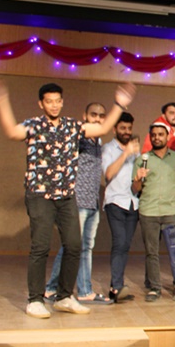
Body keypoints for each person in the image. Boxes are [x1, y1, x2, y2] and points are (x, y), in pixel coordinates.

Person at [0, 76, 135, 318]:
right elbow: (12, 132)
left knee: (74, 245)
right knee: (40, 246)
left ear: (62, 102)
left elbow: (102, 128)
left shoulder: (71, 126)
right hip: (40, 194)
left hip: (66, 196)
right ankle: (35, 299)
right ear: (41, 104)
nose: (54, 105)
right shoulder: (34, 125)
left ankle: (64, 296)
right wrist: (2, 100)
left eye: (58, 101)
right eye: (49, 101)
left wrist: (119, 104)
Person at [45, 102, 111, 304]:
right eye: (93, 115)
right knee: (71, 246)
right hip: (77, 200)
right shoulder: (79, 137)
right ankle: (51, 288)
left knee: (86, 247)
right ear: (85, 116)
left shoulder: (98, 142)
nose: (97, 119)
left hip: (92, 202)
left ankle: (84, 291)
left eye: (101, 115)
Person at [133, 123, 175, 303]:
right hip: (148, 212)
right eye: (154, 135)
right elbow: (135, 189)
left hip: (170, 212)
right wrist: (138, 178)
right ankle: (154, 288)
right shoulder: (142, 159)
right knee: (151, 252)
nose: (157, 137)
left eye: (160, 134)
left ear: (167, 137)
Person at [103, 112, 141, 303]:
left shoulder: (137, 152)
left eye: (129, 128)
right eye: (123, 128)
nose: (126, 132)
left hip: (133, 203)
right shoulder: (108, 149)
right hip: (115, 202)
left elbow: (136, 185)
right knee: (119, 242)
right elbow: (108, 174)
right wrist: (125, 153)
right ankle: (116, 286)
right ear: (114, 129)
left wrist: (140, 179)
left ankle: (116, 286)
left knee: (125, 245)